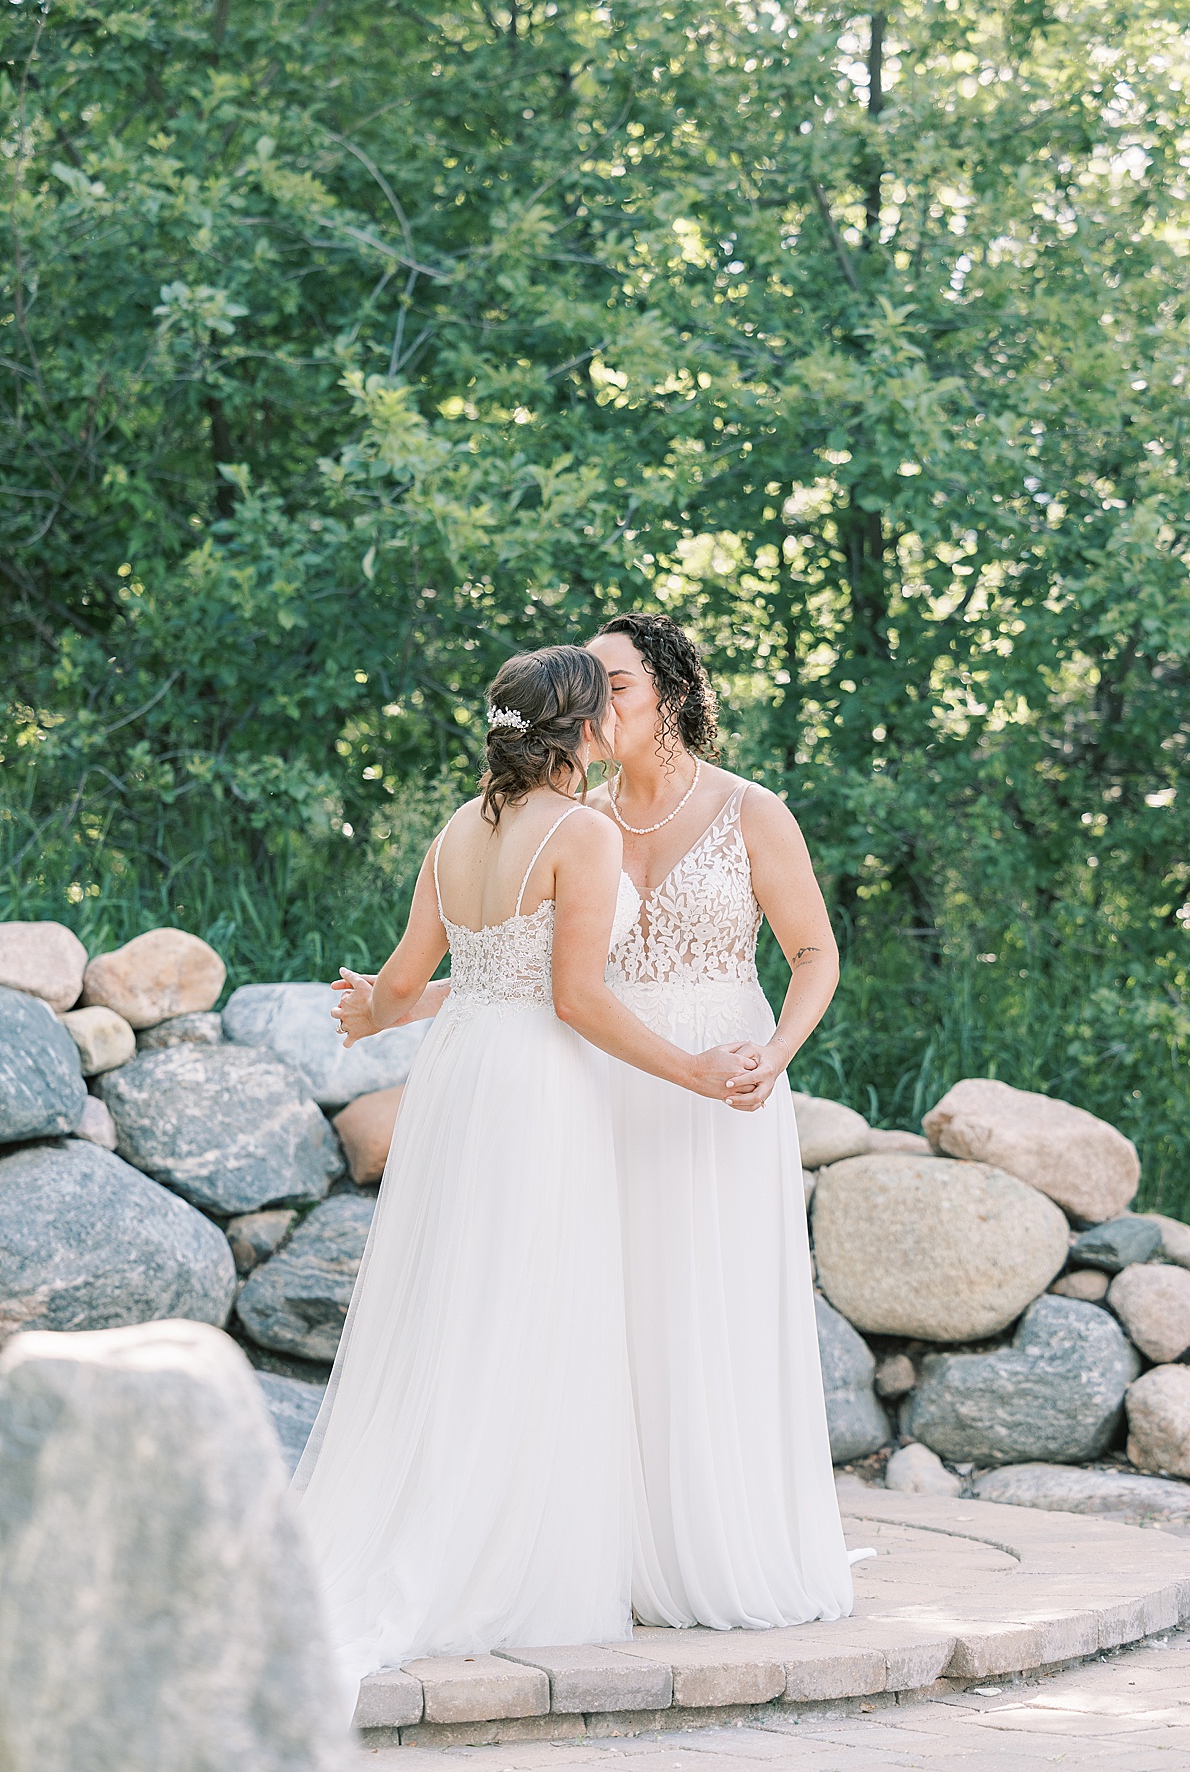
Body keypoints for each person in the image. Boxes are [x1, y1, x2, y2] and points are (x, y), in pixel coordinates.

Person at [290, 644, 757, 1721]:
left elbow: (406, 984)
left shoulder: (458, 830)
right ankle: (505, 1555)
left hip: (460, 1078)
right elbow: (580, 1001)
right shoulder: (583, 833)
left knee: (460, 1303)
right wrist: (694, 1071)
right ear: (581, 733)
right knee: (539, 1303)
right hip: (542, 1084)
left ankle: (443, 1514)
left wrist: (367, 1010)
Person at [587, 611, 857, 1630]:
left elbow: (814, 953)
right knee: (617, 1310)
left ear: (670, 691)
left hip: (731, 1083)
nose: (595, 702)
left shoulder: (752, 810)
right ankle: (617, 1548)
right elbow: (535, 972)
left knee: (717, 1304)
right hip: (612, 1080)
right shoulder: (580, 818)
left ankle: (728, 1540)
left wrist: (776, 1057)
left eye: (615, 682)